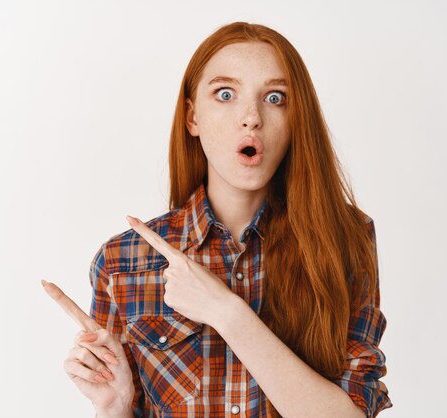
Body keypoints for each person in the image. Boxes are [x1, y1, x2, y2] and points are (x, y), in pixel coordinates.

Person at [60, 21, 392, 418]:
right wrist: (114, 407)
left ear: (296, 119)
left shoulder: (345, 240)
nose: (251, 117)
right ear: (192, 118)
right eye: (225, 94)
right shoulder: (123, 260)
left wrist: (226, 312)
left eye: (274, 97)